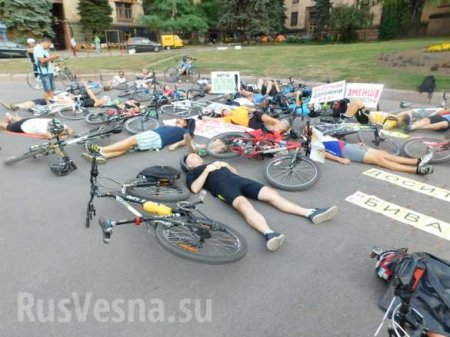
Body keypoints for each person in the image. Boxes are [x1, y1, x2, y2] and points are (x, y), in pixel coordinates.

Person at [182, 153, 339, 251]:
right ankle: (269, 234)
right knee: (244, 205)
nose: (195, 156)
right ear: (188, 165)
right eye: (191, 157)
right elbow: (195, 189)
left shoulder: (213, 163)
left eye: (196, 155)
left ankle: (310, 213)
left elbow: (235, 173)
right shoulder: (193, 173)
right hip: (223, 188)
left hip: (240, 180)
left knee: (272, 194)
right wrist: (206, 171)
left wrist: (226, 165)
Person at [313, 128, 434, 175]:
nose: (311, 128)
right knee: (380, 160)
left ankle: (417, 161)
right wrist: (339, 159)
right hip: (345, 152)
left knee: (383, 154)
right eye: (308, 129)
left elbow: (335, 142)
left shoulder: (317, 134)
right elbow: (323, 153)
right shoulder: (312, 141)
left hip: (348, 146)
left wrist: (354, 144)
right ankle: (417, 170)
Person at [82, 119, 196, 163]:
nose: (177, 120)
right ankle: (104, 156)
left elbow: (187, 139)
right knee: (127, 147)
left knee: (130, 141)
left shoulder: (184, 130)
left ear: (185, 124)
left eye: (180, 120)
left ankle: (101, 150)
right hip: (155, 138)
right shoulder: (178, 129)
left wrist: (176, 145)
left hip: (156, 137)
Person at [209, 105, 290, 134]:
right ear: (223, 115)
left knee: (262, 116)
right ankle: (278, 128)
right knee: (264, 126)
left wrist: (254, 110)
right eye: (224, 113)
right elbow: (217, 120)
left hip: (254, 116)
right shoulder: (229, 119)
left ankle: (279, 125)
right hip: (251, 123)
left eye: (225, 110)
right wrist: (203, 118)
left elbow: (250, 109)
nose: (226, 112)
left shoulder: (240, 108)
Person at [0, 115, 73, 139]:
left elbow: (70, 130)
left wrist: (66, 133)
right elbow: (48, 137)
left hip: (31, 120)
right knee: (8, 127)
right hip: (23, 126)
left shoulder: (57, 123)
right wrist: (61, 136)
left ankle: (12, 117)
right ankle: (9, 120)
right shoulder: (44, 129)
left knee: (21, 121)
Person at [33, 37, 60, 103]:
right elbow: (42, 60)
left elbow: (48, 59)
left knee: (52, 88)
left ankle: (52, 101)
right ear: (45, 42)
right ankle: (48, 105)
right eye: (48, 45)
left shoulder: (45, 49)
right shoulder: (37, 48)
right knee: (47, 89)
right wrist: (51, 57)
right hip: (44, 72)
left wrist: (54, 58)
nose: (49, 46)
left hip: (50, 71)